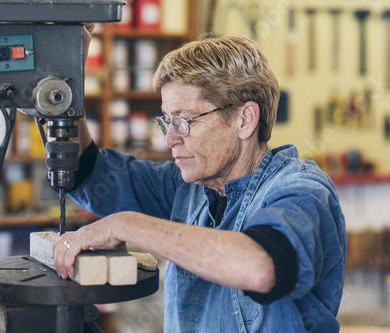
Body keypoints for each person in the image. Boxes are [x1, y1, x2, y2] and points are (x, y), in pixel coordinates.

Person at [53, 24, 346, 332]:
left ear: (244, 120)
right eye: (166, 121)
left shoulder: (302, 189)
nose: (169, 139)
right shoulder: (188, 188)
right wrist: (64, 82)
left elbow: (261, 267)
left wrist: (124, 224)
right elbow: (88, 172)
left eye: (182, 120)